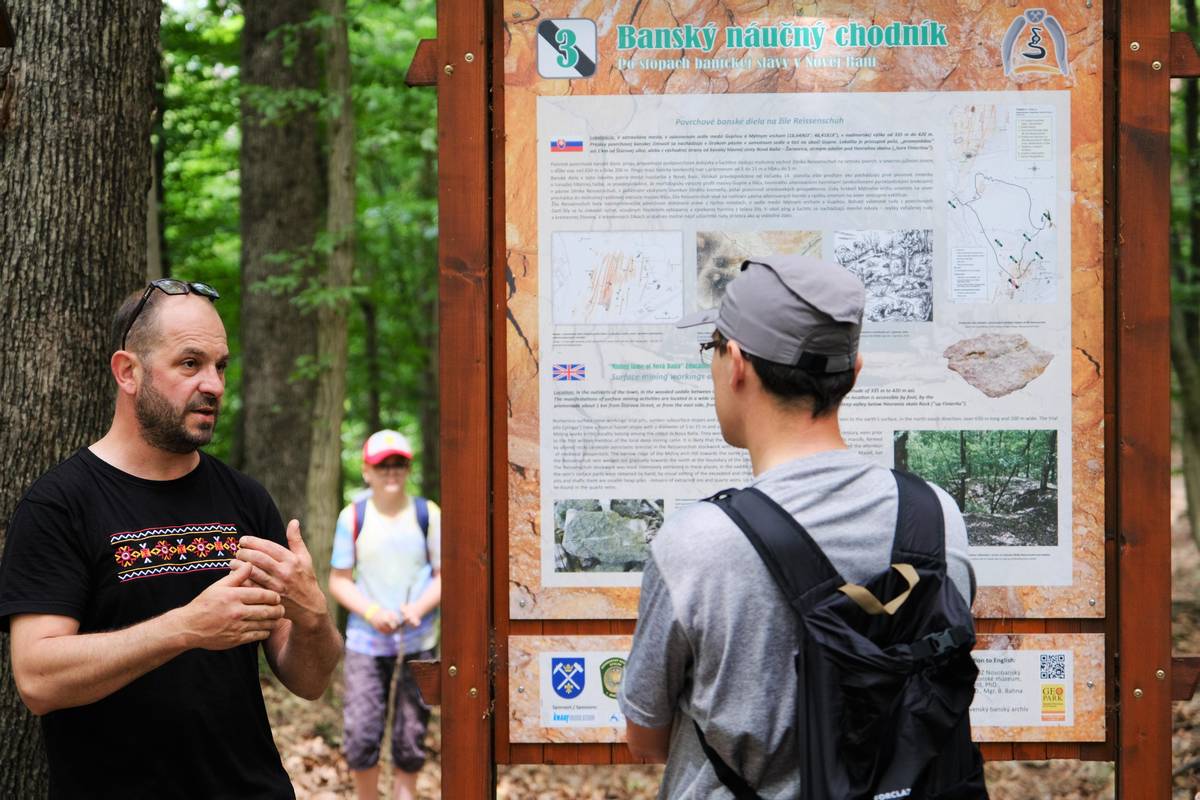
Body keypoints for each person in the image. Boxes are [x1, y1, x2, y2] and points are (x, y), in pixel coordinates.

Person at [618, 256, 976, 798]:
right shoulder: (938, 519)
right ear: (852, 374)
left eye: (710, 349)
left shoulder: (696, 543)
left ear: (735, 363)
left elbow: (646, 736)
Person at [0, 279, 343, 799]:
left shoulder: (246, 501)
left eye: (221, 365)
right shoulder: (60, 506)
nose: (214, 385)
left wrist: (314, 615)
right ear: (128, 372)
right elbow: (38, 680)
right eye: (190, 364)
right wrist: (186, 627)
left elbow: (309, 681)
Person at [328, 429, 442, 800]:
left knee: (411, 733)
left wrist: (418, 608)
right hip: (366, 641)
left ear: (408, 468)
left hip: (419, 640)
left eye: (399, 464)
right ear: (367, 470)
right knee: (362, 731)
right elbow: (339, 580)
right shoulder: (354, 516)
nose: (391, 472)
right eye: (382, 465)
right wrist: (372, 611)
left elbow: (446, 576)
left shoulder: (428, 514)